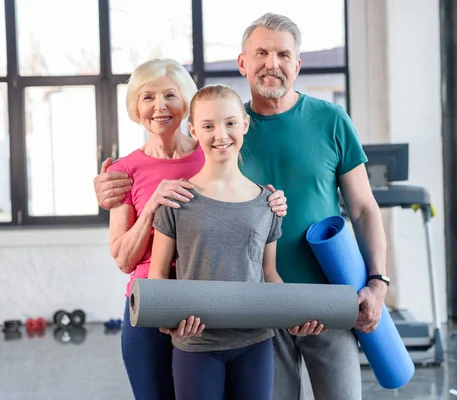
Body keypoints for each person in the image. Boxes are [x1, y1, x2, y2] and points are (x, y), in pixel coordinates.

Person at [94, 13, 388, 400]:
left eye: (283, 54)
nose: (272, 63)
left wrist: (378, 282)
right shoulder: (220, 132)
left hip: (319, 297)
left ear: (297, 64)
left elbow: (365, 208)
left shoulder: (322, 121)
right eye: (261, 52)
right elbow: (162, 180)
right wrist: (108, 186)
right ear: (242, 63)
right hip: (245, 308)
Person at [101, 59, 288, 400]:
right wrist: (153, 206)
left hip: (215, 307)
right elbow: (123, 259)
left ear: (185, 102)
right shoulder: (122, 170)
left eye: (170, 95)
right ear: (135, 107)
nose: (159, 106)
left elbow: (250, 199)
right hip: (154, 302)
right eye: (147, 97)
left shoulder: (211, 150)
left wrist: (275, 202)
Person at [148, 83, 324, 400]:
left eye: (230, 123)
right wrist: (168, 322)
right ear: (193, 130)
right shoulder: (176, 199)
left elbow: (269, 275)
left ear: (244, 124)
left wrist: (294, 315)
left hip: (255, 343)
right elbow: (157, 276)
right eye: (208, 125)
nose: (221, 135)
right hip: (196, 343)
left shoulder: (268, 202)